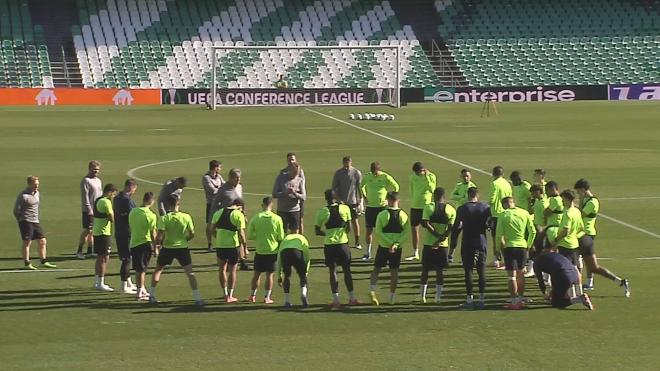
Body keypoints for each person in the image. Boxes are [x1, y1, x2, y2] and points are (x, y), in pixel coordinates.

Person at [574, 179, 630, 297]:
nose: (578, 194)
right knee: (589, 265)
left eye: (579, 191)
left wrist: (571, 207)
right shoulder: (585, 200)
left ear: (584, 190)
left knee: (582, 262)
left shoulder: (593, 202)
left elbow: (580, 214)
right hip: (581, 234)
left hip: (587, 235)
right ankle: (617, 282)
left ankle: (576, 287)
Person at [149, 195, 204, 307]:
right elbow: (192, 234)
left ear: (168, 205)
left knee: (158, 270)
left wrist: (156, 246)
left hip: (168, 248)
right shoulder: (186, 217)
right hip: (182, 248)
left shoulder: (164, 218)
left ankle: (151, 295)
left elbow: (159, 236)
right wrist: (185, 239)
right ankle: (197, 298)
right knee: (190, 273)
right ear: (178, 203)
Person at [315, 189, 358, 309]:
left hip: (330, 245)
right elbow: (349, 227)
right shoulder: (344, 208)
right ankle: (352, 298)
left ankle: (336, 300)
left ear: (326, 199)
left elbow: (317, 230)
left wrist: (327, 234)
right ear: (336, 197)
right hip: (343, 244)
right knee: (347, 271)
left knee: (332, 271)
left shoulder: (323, 212)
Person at [452, 187, 490, 309]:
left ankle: (469, 299)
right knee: (481, 269)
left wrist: (453, 243)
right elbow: (490, 225)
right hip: (481, 241)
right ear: (477, 195)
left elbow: (457, 227)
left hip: (467, 241)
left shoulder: (462, 208)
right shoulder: (485, 208)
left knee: (468, 270)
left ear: (468, 195)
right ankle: (482, 299)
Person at [369, 191, 410, 305]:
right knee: (394, 272)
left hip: (383, 247)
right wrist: (396, 244)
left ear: (388, 200)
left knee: (376, 269)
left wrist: (389, 243)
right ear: (398, 200)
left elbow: (378, 231)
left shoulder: (382, 215)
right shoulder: (404, 215)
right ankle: (391, 298)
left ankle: (372, 290)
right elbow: (405, 233)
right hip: (397, 248)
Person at [496, 197, 536, 310]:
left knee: (511, 276)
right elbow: (532, 231)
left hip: (509, 247)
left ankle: (514, 301)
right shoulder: (524, 213)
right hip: (522, 246)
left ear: (504, 205)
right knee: (521, 273)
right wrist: (528, 244)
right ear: (513, 202)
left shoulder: (503, 215)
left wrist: (497, 249)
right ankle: (520, 298)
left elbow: (499, 235)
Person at [419, 187, 456, 303]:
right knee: (439, 271)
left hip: (429, 243)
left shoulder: (429, 207)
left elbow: (425, 223)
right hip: (443, 245)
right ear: (444, 196)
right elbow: (451, 227)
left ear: (434, 196)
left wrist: (436, 235)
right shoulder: (450, 209)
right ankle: (437, 297)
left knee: (425, 270)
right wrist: (441, 237)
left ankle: (422, 296)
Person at [247, 197, 285, 304]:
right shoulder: (277, 219)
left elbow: (250, 235)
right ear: (271, 205)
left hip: (260, 251)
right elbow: (281, 236)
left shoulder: (256, 217)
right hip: (272, 251)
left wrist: (259, 236)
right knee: (269, 275)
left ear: (262, 205)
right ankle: (266, 297)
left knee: (256, 274)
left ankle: (252, 296)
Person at [13, 176, 56, 270]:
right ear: (29, 184)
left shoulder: (37, 193)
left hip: (35, 221)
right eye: (35, 184)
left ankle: (43, 261)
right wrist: (21, 220)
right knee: (27, 242)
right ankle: (27, 263)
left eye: (38, 184)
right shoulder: (23, 195)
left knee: (42, 241)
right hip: (26, 221)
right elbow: (16, 210)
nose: (37, 186)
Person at [209, 168, 248, 270]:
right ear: (230, 178)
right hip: (226, 217)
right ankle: (228, 261)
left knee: (240, 236)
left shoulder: (239, 187)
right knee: (233, 239)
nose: (238, 180)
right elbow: (215, 204)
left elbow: (241, 202)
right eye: (236, 178)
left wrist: (244, 214)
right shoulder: (223, 189)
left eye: (239, 178)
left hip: (238, 216)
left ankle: (243, 261)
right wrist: (214, 217)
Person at [360, 161, 399, 260]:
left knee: (385, 230)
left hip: (382, 207)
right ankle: (368, 253)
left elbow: (396, 187)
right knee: (369, 230)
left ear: (379, 170)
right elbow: (361, 187)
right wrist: (364, 196)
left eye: (376, 172)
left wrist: (388, 199)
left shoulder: (385, 177)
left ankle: (387, 250)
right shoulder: (367, 176)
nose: (374, 174)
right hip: (370, 207)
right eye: (373, 172)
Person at [210, 198, 247, 303]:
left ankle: (225, 293)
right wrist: (245, 247)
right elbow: (241, 233)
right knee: (232, 270)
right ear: (240, 206)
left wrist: (218, 237)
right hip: (232, 246)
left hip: (220, 245)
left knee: (222, 269)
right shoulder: (238, 214)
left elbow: (211, 229)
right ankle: (230, 295)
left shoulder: (218, 212)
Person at [551, 190, 584, 297]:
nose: (562, 201)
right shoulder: (577, 211)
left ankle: (571, 293)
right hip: (574, 243)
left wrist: (556, 240)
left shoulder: (567, 213)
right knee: (574, 268)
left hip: (565, 244)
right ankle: (579, 292)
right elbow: (581, 228)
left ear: (567, 199)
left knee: (567, 269)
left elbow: (566, 230)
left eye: (563, 199)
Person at [128, 191, 158, 301]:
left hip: (134, 242)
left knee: (138, 268)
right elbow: (153, 233)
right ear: (152, 201)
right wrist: (155, 247)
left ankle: (141, 288)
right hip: (144, 243)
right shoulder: (151, 215)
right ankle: (140, 291)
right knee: (142, 269)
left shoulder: (133, 211)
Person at [406, 162, 437, 261]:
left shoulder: (431, 176)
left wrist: (427, 177)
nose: (417, 174)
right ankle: (415, 252)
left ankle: (434, 250)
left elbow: (432, 189)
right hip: (415, 206)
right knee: (414, 229)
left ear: (423, 170)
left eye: (418, 172)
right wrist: (413, 200)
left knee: (430, 229)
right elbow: (411, 189)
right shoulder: (412, 176)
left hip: (426, 206)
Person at [332, 156, 363, 249]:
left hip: (352, 201)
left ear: (351, 162)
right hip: (342, 202)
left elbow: (359, 187)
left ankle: (357, 242)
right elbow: (334, 188)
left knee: (354, 221)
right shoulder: (338, 173)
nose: (347, 164)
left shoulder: (356, 173)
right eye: (345, 162)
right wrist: (337, 199)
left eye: (348, 162)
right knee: (344, 223)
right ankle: (344, 241)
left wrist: (360, 199)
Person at [113, 179, 138, 294]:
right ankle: (123, 286)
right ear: (131, 187)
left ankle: (128, 282)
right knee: (127, 258)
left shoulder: (117, 198)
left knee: (127, 257)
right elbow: (133, 216)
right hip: (127, 232)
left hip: (119, 231)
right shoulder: (127, 201)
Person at [92, 184, 118, 292]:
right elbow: (111, 217)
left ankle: (98, 281)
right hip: (104, 232)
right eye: (113, 194)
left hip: (97, 231)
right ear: (110, 192)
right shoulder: (106, 202)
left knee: (100, 257)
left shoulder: (98, 200)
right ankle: (101, 283)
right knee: (104, 258)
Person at [487, 165, 512, 268]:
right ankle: (497, 259)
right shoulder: (507, 184)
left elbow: (492, 200)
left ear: (493, 173)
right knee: (505, 237)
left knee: (497, 238)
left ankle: (503, 260)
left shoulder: (494, 184)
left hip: (497, 214)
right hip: (507, 212)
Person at [448, 169, 476, 262]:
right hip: (459, 214)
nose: (466, 178)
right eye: (464, 176)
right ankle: (450, 255)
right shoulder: (458, 186)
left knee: (470, 236)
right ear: (461, 177)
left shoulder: (472, 186)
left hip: (470, 214)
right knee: (454, 235)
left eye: (467, 176)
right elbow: (452, 196)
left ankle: (472, 255)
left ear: (470, 176)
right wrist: (462, 198)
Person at [277, 233, 311, 308]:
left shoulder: (285, 239)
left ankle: (287, 300)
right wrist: (306, 271)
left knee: (287, 276)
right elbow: (307, 255)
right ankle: (303, 293)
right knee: (302, 276)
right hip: (297, 252)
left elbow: (279, 258)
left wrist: (279, 276)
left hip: (285, 253)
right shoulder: (302, 237)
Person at [77, 160, 102, 259]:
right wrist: (89, 210)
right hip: (89, 211)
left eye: (98, 170)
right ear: (90, 168)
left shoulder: (98, 180)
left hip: (97, 209)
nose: (96, 171)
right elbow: (85, 197)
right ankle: (79, 251)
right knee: (87, 230)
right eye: (94, 169)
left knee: (92, 231)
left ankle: (89, 251)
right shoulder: (86, 181)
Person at [273, 162, 306, 234]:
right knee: (281, 232)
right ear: (289, 170)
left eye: (297, 173)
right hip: (282, 210)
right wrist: (285, 193)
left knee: (295, 233)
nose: (295, 175)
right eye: (294, 173)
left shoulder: (300, 180)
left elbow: (304, 196)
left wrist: (295, 193)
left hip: (294, 210)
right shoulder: (281, 178)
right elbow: (274, 194)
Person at [280, 153, 306, 233]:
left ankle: (301, 238)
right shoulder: (283, 172)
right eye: (289, 160)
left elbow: (302, 183)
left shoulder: (300, 171)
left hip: (297, 198)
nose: (291, 161)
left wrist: (298, 193)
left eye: (293, 159)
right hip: (286, 200)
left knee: (300, 220)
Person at [527, 184, 549, 278]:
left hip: (541, 228)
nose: (532, 195)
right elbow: (531, 211)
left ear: (538, 192)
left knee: (539, 250)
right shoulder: (537, 201)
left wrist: (543, 228)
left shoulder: (544, 203)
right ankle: (533, 269)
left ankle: (543, 272)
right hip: (536, 226)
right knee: (535, 248)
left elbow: (546, 216)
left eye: (533, 192)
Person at [202, 160, 224, 251]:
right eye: (219, 167)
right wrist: (222, 190)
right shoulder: (206, 178)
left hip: (220, 204)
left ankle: (220, 241)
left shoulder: (219, 177)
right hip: (211, 204)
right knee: (210, 225)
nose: (220, 169)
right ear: (215, 168)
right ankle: (209, 243)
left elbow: (225, 185)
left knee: (220, 225)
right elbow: (213, 191)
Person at [543, 181, 564, 252]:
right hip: (558, 227)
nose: (546, 193)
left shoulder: (554, 200)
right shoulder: (561, 198)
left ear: (552, 189)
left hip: (553, 228)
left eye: (547, 190)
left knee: (550, 250)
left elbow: (546, 212)